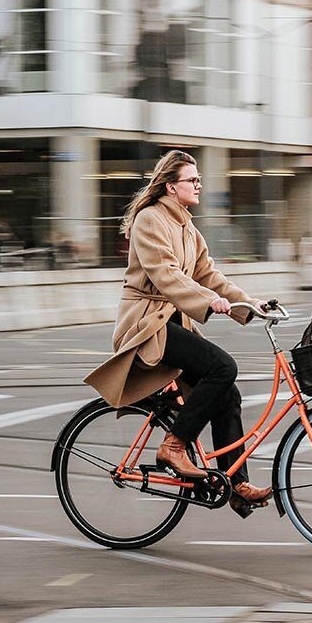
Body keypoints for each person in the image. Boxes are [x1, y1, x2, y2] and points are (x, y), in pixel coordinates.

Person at [85, 150, 273, 518]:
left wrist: (249, 303)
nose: (199, 184)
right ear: (171, 186)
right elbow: (166, 276)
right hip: (148, 323)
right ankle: (174, 446)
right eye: (192, 179)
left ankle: (236, 485)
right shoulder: (149, 220)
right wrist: (209, 302)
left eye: (199, 178)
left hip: (172, 323)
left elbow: (209, 275)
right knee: (223, 367)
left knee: (227, 394)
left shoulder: (188, 227)